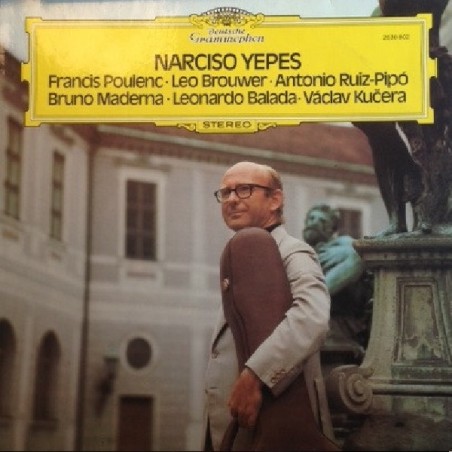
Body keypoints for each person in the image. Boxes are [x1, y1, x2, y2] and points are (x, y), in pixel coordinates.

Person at [203, 161, 337, 451]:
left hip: (275, 427)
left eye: (244, 189)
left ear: (275, 200)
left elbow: (312, 317)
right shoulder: (243, 255)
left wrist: (254, 376)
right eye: (225, 193)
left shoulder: (293, 251)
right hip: (235, 429)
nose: (231, 199)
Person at [302, 204, 373, 352]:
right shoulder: (299, 252)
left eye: (322, 221)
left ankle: (310, 299)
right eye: (311, 218)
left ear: (331, 230)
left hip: (337, 317)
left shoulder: (340, 246)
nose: (314, 223)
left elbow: (357, 251)